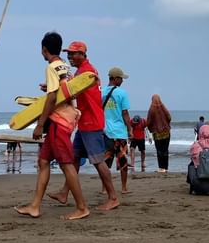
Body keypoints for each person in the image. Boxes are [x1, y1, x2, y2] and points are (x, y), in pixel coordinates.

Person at [15, 32, 89, 220]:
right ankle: (34, 206)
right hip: (66, 119)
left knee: (66, 165)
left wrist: (40, 125)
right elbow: (66, 91)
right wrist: (48, 89)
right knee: (43, 162)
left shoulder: (51, 67)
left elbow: (52, 98)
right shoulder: (65, 67)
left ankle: (82, 207)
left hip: (59, 122)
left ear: (44, 49)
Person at [47, 41, 119, 211]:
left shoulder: (86, 72)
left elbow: (70, 91)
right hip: (85, 121)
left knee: (98, 161)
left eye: (73, 54)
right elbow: (71, 87)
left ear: (82, 55)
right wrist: (50, 88)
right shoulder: (83, 70)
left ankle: (113, 197)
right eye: (68, 54)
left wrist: (52, 92)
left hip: (91, 122)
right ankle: (64, 192)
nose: (69, 57)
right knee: (75, 157)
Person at [102, 67, 133, 194]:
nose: (122, 81)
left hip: (105, 132)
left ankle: (104, 188)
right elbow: (125, 113)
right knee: (122, 161)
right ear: (115, 79)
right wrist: (130, 129)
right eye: (121, 79)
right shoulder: (122, 93)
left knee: (105, 163)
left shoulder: (101, 92)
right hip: (119, 132)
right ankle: (124, 188)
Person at [146, 95, 171, 173]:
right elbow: (169, 117)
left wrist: (150, 128)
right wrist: (166, 124)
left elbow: (148, 122)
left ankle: (161, 168)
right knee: (165, 150)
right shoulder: (164, 108)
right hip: (166, 133)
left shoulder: (151, 109)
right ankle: (166, 168)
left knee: (159, 151)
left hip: (157, 134)